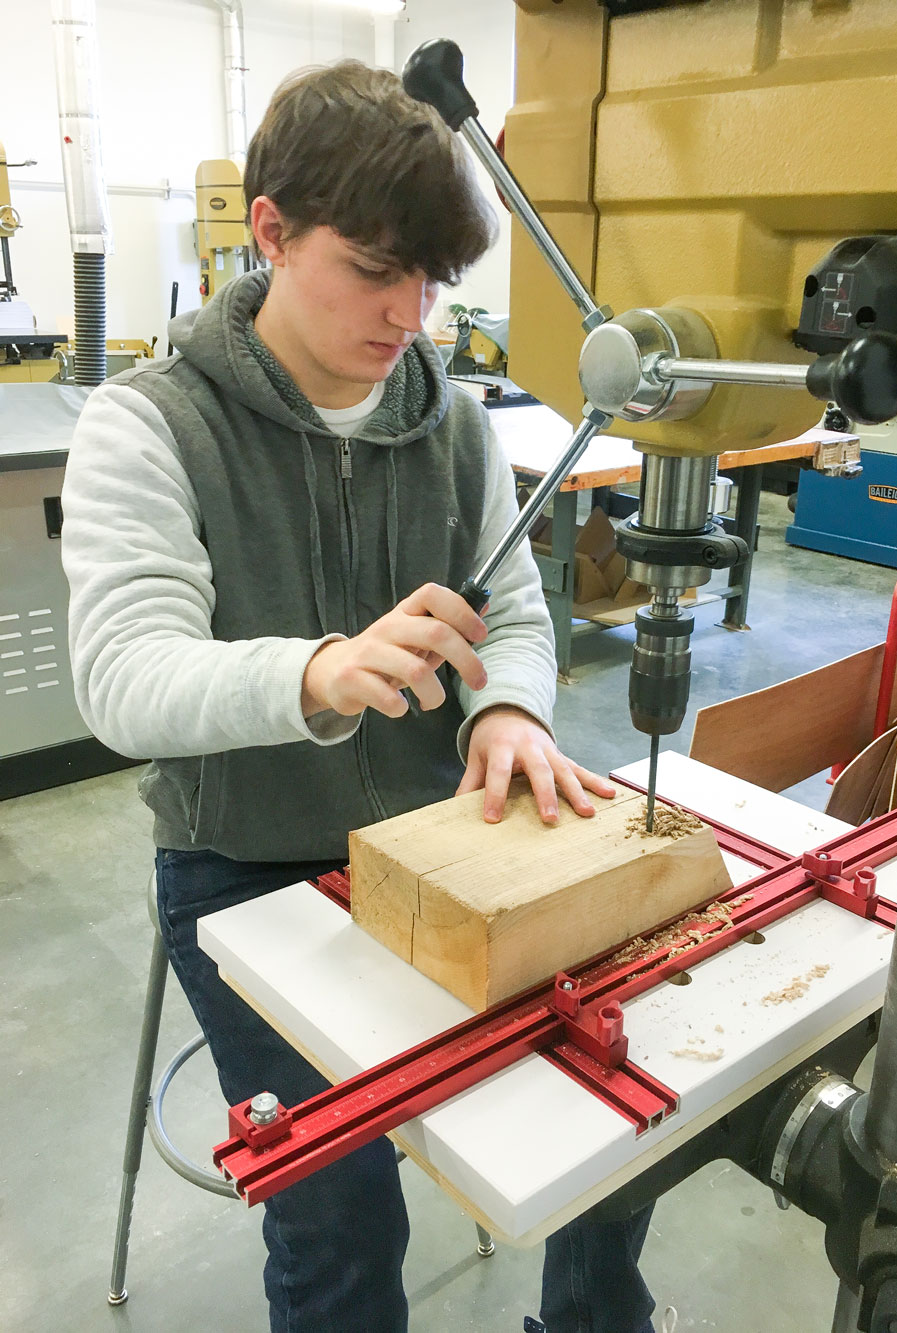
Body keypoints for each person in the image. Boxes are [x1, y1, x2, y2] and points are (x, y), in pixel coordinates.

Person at [62, 60, 657, 1333]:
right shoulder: (150, 424)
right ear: (269, 230)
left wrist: (508, 712)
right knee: (342, 1215)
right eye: (375, 269)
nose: (412, 313)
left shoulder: (455, 429)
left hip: (446, 838)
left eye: (433, 279)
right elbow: (121, 677)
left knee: (614, 1110)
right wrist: (315, 671)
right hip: (248, 866)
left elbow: (514, 617)